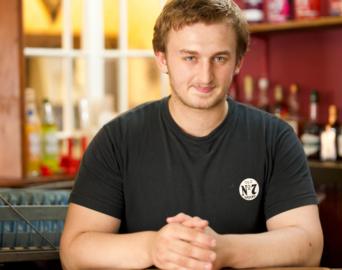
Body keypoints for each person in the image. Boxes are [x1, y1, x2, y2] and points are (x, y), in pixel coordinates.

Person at [59, 0, 323, 269]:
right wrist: (153, 248)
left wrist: (223, 250)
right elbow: (73, 252)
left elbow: (308, 244)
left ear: (238, 62)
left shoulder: (275, 138)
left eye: (219, 58)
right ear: (162, 58)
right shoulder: (116, 140)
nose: (205, 76)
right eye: (190, 57)